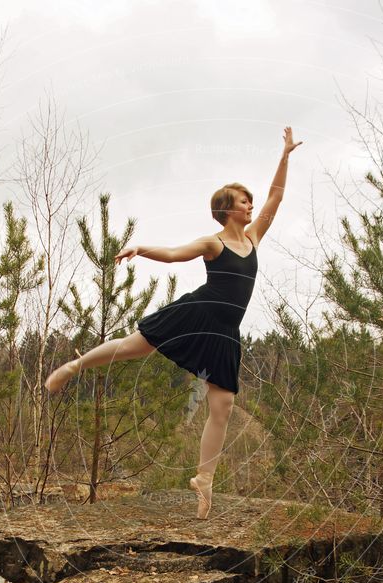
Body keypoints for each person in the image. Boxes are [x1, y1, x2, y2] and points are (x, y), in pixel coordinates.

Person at [45, 126, 302, 519]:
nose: (251, 205)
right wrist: (140, 248)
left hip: (225, 332)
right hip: (198, 313)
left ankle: (204, 481)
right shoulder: (213, 243)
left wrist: (284, 156)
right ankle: (74, 365)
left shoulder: (253, 237)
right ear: (226, 209)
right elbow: (173, 254)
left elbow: (277, 196)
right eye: (243, 201)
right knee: (136, 346)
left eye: (251, 201)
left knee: (223, 406)